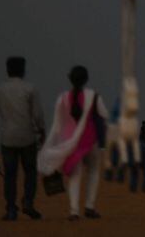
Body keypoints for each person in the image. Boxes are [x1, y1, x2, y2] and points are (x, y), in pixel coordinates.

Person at [38, 66, 108, 221]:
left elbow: (57, 125)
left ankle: (74, 211)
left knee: (75, 176)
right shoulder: (94, 96)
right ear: (86, 79)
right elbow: (104, 114)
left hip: (71, 143)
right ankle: (89, 207)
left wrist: (52, 145)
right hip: (91, 141)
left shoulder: (62, 98)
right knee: (93, 172)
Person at [0, 57, 46, 221]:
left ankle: (11, 208)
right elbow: (38, 115)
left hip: (8, 139)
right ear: (23, 70)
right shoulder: (30, 89)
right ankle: (28, 202)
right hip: (27, 137)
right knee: (30, 172)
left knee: (10, 175)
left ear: (7, 70)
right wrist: (42, 132)